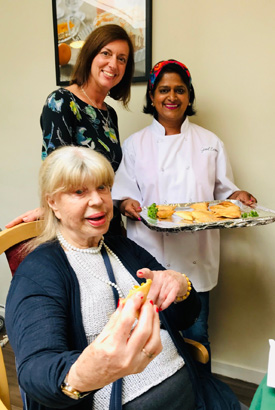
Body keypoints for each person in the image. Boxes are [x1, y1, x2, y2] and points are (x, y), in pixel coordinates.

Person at [6, 146, 244, 410]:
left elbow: (184, 318)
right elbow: (36, 370)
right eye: (79, 192)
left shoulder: (123, 248)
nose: (97, 200)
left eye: (103, 188)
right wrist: (83, 375)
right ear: (52, 203)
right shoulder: (40, 271)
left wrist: (181, 287)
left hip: (197, 392)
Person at [111, 59, 257, 368]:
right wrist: (125, 204)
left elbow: (223, 193)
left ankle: (200, 396)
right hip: (150, 257)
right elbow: (123, 192)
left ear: (189, 96)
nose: (171, 97)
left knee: (196, 335)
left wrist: (238, 197)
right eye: (163, 90)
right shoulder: (136, 145)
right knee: (151, 340)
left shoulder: (210, 143)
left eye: (179, 89)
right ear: (152, 97)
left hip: (196, 259)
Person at [5, 23, 134, 230]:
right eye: (106, 53)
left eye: (121, 59)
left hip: (109, 222)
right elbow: (57, 172)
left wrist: (124, 201)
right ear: (91, 55)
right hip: (77, 227)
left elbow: (111, 179)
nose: (113, 64)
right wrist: (48, 209)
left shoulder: (110, 114)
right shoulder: (61, 101)